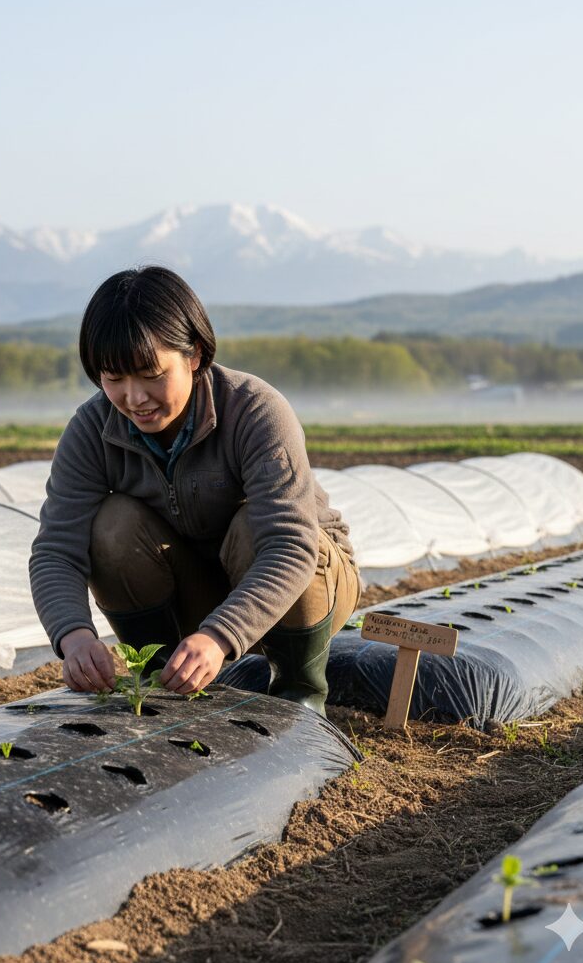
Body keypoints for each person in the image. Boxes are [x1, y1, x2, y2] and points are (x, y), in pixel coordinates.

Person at [28, 266, 360, 715]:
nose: (134, 397)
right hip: (194, 587)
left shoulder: (255, 411)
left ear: (195, 355)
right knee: (111, 525)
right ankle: (165, 686)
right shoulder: (91, 430)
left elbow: (291, 546)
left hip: (305, 585)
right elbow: (56, 550)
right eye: (113, 378)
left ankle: (299, 697)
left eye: (150, 374)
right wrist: (74, 635)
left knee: (255, 527)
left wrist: (219, 635)